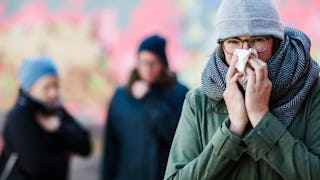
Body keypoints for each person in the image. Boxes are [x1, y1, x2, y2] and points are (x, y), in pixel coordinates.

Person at [164, 0, 320, 179]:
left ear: (275, 42)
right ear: (222, 46)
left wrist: (261, 117)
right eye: (233, 42)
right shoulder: (198, 101)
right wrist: (233, 129)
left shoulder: (310, 90)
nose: (245, 53)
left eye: (257, 40)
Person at [101, 34, 188, 180]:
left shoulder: (179, 94)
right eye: (143, 62)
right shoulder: (121, 96)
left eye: (153, 63)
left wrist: (150, 101)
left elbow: (179, 139)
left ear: (163, 64)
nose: (147, 68)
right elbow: (110, 146)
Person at [0, 55, 91, 180]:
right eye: (47, 87)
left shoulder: (56, 111)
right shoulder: (18, 118)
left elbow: (85, 146)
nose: (53, 93)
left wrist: (59, 129)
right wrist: (65, 154)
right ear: (30, 88)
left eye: (56, 86)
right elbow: (37, 167)